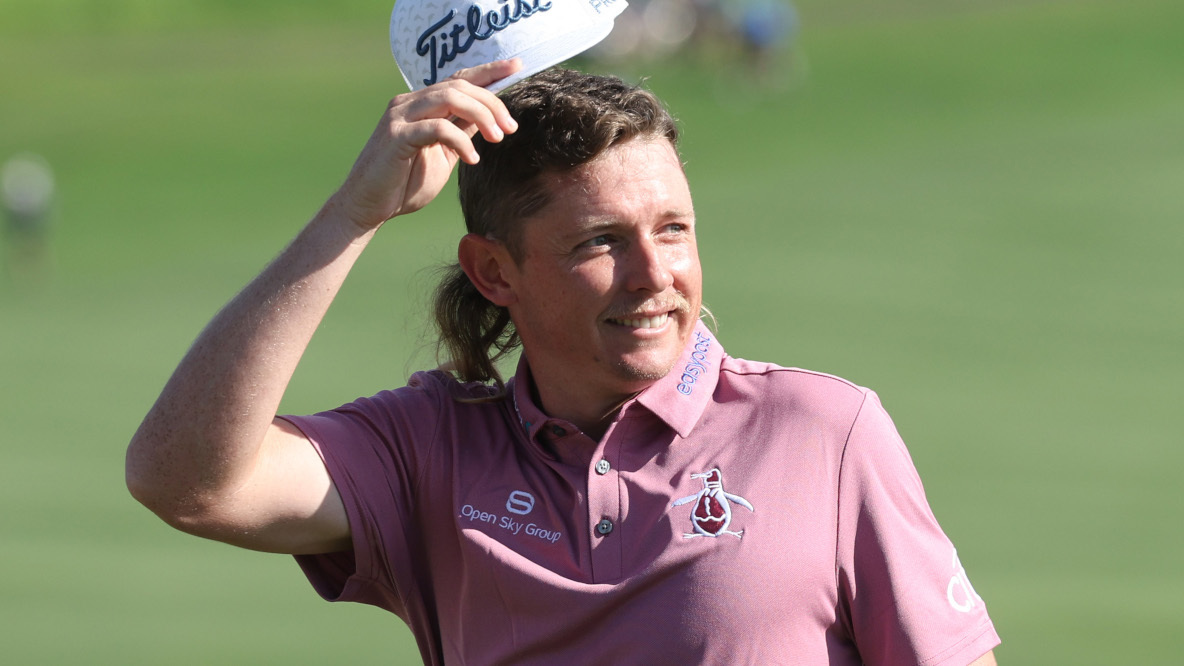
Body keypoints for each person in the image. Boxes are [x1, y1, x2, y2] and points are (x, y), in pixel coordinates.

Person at [127, 59, 1000, 664]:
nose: (655, 274)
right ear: (494, 272)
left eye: (673, 229)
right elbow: (186, 481)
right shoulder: (430, 450)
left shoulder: (823, 432)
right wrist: (353, 216)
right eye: (601, 241)